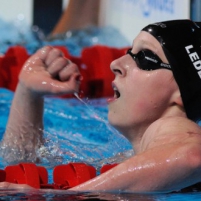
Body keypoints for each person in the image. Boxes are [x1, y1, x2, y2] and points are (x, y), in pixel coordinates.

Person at [1, 19, 201, 192]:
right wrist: (28, 93)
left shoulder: (185, 144)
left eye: (145, 58)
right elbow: (19, 161)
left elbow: (193, 156)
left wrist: (67, 196)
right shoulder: (132, 160)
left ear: (184, 92)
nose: (116, 64)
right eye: (129, 52)